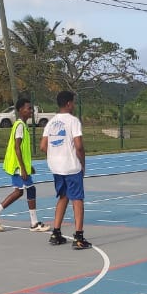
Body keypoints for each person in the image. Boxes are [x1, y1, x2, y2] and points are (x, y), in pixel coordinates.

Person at [0, 98, 50, 233]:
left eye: (31, 108)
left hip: (18, 166)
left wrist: (28, 166)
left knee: (19, 191)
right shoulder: (20, 126)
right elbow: (17, 147)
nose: (31, 111)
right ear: (20, 110)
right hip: (18, 167)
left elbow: (23, 150)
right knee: (30, 189)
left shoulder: (22, 125)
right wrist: (23, 168)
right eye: (28, 108)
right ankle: (34, 223)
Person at [40, 90, 91, 249]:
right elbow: (79, 145)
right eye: (73, 102)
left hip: (56, 167)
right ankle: (79, 237)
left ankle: (56, 233)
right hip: (71, 166)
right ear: (69, 103)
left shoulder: (51, 122)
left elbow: (43, 146)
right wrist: (83, 163)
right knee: (77, 199)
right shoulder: (73, 121)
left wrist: (55, 155)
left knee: (63, 196)